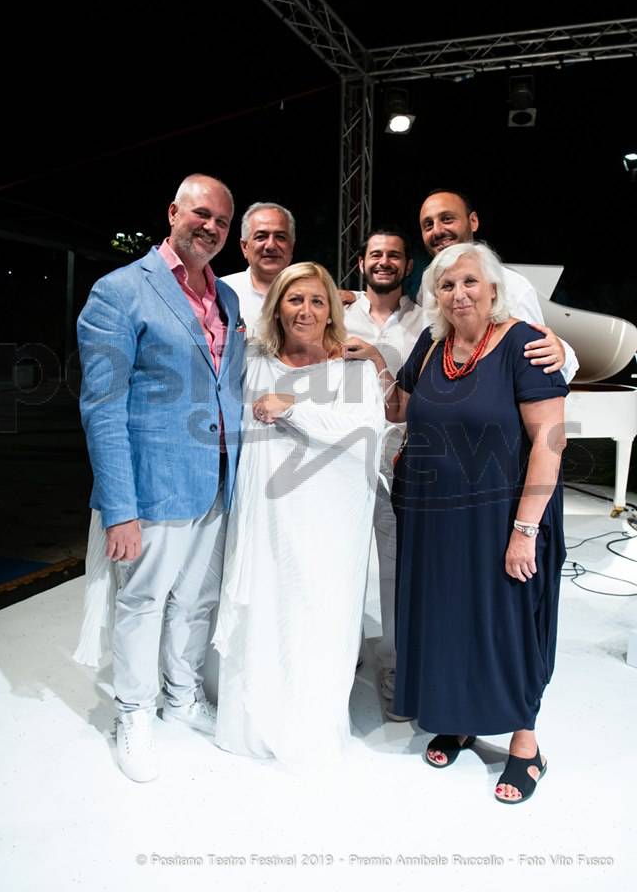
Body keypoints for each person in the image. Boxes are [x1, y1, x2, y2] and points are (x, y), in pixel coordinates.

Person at [346, 241, 568, 804]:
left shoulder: (523, 344)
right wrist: (375, 361)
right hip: (433, 515)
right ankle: (463, 718)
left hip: (500, 515)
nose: (458, 293)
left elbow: (549, 441)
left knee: (508, 623)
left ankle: (526, 744)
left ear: (492, 289)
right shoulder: (432, 344)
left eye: (469, 282)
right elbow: (402, 409)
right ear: (436, 297)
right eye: (446, 286)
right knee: (448, 617)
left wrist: (525, 531)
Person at [76, 173, 245, 783]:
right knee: (145, 601)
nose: (211, 227)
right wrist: (119, 507)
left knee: (198, 599)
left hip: (219, 479)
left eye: (223, 222)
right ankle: (134, 709)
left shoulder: (225, 298)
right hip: (154, 483)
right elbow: (102, 405)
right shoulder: (120, 291)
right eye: (202, 214)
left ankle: (182, 693)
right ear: (173, 212)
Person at [213, 262, 385, 768]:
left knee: (318, 614)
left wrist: (293, 407)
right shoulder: (255, 360)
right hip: (266, 516)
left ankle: (308, 724)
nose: (305, 310)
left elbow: (367, 431)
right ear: (276, 306)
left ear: (331, 309)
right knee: (265, 608)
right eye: (294, 299)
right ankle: (253, 719)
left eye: (316, 300)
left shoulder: (353, 367)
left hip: (327, 523)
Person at [343, 227, 422, 715]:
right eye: (376, 254)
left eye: (394, 255)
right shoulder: (338, 310)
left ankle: (394, 663)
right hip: (340, 461)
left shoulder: (426, 320)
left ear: (408, 266)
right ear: (361, 263)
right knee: (342, 562)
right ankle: (343, 650)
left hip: (398, 461)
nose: (385, 261)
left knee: (395, 570)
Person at [418, 189, 579, 381]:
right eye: (428, 225)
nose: (437, 230)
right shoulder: (427, 286)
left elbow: (541, 356)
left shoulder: (513, 286)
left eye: (447, 219)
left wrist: (563, 353)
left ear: (473, 221)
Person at [221, 201, 295, 334]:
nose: (271, 246)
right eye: (261, 237)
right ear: (245, 247)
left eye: (280, 237)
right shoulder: (221, 292)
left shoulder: (314, 295)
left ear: (291, 246)